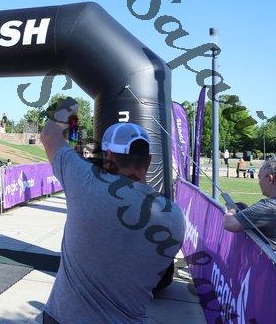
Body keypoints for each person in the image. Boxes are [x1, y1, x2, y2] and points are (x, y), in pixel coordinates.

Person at [40, 98, 184, 324]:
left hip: (64, 318)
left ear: (108, 156)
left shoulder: (85, 183)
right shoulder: (174, 217)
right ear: (148, 160)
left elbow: (50, 135)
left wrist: (68, 111)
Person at [223, 159, 276, 276]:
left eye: (259, 178)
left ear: (270, 179)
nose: (258, 182)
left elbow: (229, 223)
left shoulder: (270, 206)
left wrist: (231, 209)